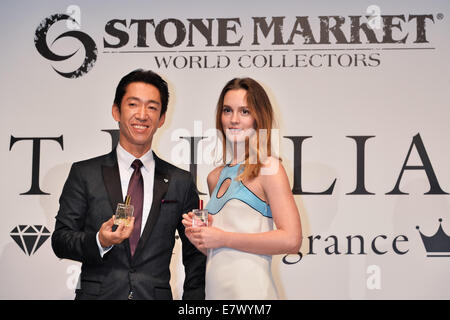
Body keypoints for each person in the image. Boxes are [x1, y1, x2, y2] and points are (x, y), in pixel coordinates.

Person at [52, 69, 206, 300]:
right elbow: (61, 240)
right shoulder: (85, 173)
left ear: (162, 118)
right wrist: (100, 240)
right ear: (116, 110)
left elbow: (196, 254)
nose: (142, 115)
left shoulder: (180, 181)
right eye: (133, 104)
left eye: (152, 107)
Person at [182, 77, 302, 299]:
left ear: (259, 116)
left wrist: (223, 238)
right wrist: (202, 239)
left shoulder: (269, 168)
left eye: (244, 111)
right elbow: (223, 251)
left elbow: (292, 240)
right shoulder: (214, 177)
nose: (234, 119)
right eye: (227, 110)